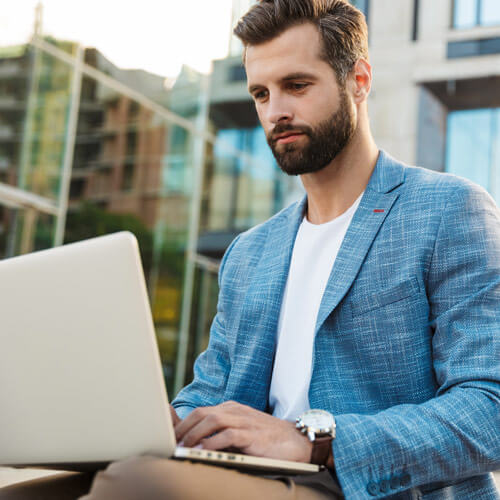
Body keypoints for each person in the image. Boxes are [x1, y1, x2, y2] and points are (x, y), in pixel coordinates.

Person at [4, 1, 499, 499]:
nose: (275, 111)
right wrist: (146, 422)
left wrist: (313, 441)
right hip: (256, 478)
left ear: (359, 80)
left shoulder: (448, 211)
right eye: (261, 93)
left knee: (133, 485)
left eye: (297, 85)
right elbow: (211, 394)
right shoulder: (250, 254)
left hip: (366, 486)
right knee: (31, 491)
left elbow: (489, 407)